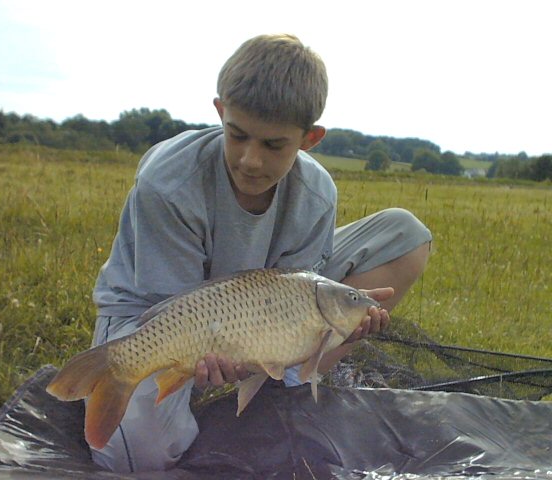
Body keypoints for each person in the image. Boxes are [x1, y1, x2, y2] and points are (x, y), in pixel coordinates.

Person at [90, 34, 432, 473]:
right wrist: (221, 350)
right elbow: (171, 312)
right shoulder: (168, 181)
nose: (251, 160)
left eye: (274, 145)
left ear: (310, 138)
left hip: (263, 300)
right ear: (220, 114)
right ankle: (119, 380)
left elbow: (295, 292)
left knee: (404, 233)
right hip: (154, 311)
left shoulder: (317, 192)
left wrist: (331, 328)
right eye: (238, 136)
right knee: (135, 460)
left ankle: (291, 378)